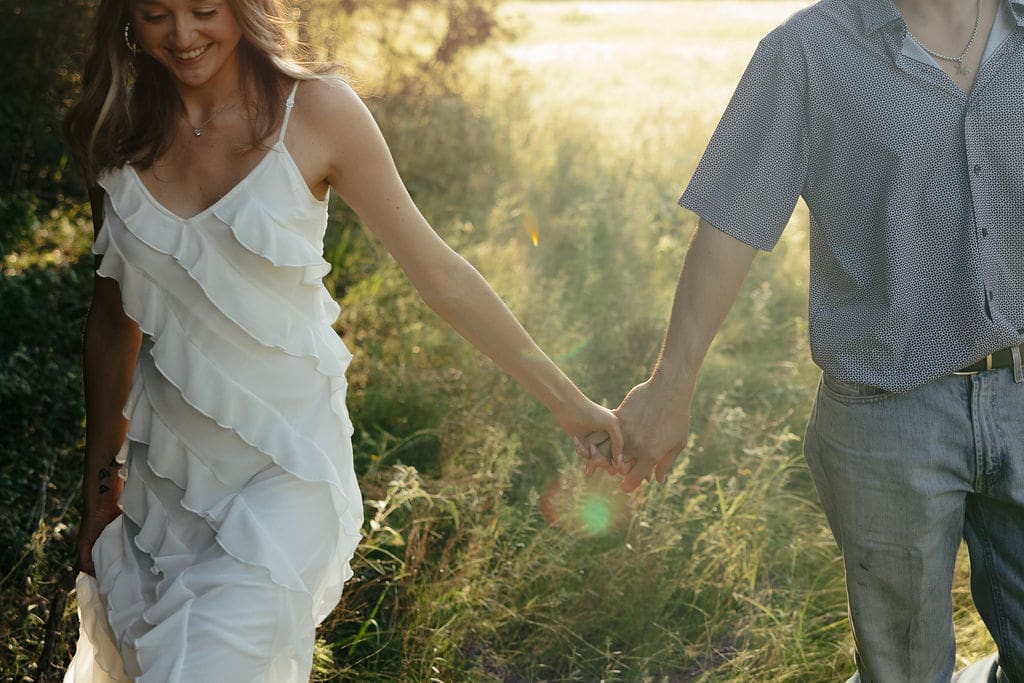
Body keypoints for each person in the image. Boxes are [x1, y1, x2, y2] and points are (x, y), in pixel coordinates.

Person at [61, 0, 623, 680]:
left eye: (205, 9)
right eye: (156, 14)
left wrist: (570, 404)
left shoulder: (318, 111)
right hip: (164, 493)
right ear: (125, 18)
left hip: (283, 483)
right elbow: (111, 314)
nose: (183, 35)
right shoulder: (111, 130)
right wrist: (100, 485)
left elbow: (439, 273)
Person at [584, 0, 1024, 680]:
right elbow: (731, 224)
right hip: (887, 412)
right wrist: (671, 384)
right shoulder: (808, 52)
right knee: (904, 670)